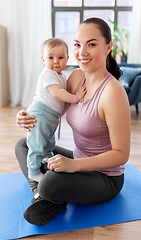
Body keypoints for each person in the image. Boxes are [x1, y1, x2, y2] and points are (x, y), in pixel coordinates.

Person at [15, 17, 130, 225]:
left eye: (91, 44)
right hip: (78, 159)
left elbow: (122, 155)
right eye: (77, 44)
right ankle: (41, 194)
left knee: (51, 180)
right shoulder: (76, 77)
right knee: (23, 144)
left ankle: (47, 192)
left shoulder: (113, 93)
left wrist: (74, 166)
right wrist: (27, 116)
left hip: (104, 177)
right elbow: (55, 109)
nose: (82, 52)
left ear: (108, 47)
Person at [25, 37, 86, 183]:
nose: (56, 61)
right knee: (37, 143)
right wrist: (76, 97)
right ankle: (33, 172)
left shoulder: (61, 76)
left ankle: (46, 163)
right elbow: (58, 94)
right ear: (43, 59)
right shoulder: (48, 74)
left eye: (60, 57)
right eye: (50, 57)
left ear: (67, 58)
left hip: (51, 117)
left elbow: (61, 103)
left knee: (48, 144)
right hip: (40, 114)